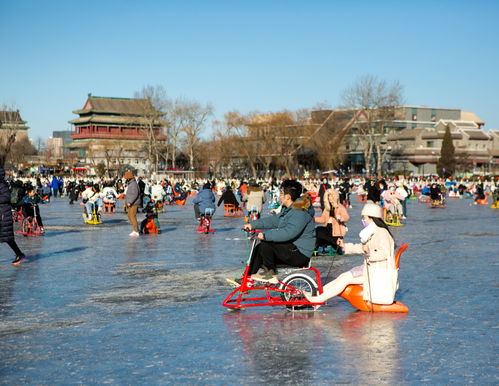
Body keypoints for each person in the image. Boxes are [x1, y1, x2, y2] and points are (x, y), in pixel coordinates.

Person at [303, 203, 397, 306]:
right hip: (370, 268)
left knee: (345, 279)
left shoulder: (382, 233)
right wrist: (345, 246)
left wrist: (369, 252)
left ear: (372, 218)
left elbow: (384, 253)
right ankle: (316, 293)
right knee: (343, 276)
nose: (363, 221)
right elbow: (362, 248)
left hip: (378, 272)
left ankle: (318, 299)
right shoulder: (373, 231)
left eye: (364, 218)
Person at [238, 179, 316, 284]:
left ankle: (271, 274)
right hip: (291, 248)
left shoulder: (299, 211)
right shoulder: (290, 209)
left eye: (281, 194)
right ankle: (247, 278)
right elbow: (274, 221)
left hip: (300, 254)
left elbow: (289, 232)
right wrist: (253, 224)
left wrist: (265, 235)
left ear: (288, 196)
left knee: (266, 244)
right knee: (259, 248)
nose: (280, 196)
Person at [0, 166, 26, 264]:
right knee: (6, 237)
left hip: (3, 213)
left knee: (8, 238)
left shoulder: (2, 184)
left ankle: (20, 254)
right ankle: (19, 254)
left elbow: (6, 197)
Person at [314, 188, 349, 254]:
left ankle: (336, 244)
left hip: (336, 230)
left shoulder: (340, 207)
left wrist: (341, 218)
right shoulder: (327, 208)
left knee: (318, 231)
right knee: (317, 232)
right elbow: (323, 219)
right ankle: (314, 251)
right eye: (328, 196)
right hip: (328, 228)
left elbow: (346, 217)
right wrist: (313, 219)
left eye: (331, 196)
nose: (329, 198)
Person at [124, 170, 141, 236]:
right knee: (129, 215)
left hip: (134, 203)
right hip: (131, 202)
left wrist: (130, 202)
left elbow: (135, 194)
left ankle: (136, 231)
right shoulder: (131, 183)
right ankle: (136, 229)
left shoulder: (133, 184)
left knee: (132, 216)